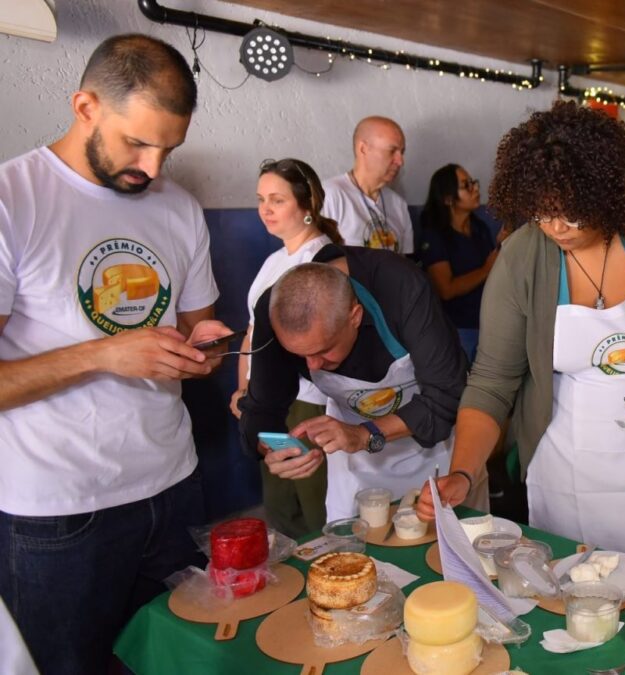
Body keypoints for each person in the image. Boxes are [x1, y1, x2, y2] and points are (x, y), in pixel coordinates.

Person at [415, 101, 625, 569]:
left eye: (572, 214)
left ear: (607, 193)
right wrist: (464, 474)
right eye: (543, 214)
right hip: (569, 467)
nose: (556, 228)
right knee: (574, 593)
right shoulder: (522, 257)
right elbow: (491, 381)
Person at [0, 34, 231, 674]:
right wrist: (102, 355)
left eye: (169, 148)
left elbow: (198, 327)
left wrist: (202, 353)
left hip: (173, 486)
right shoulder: (13, 201)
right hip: (58, 512)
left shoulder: (179, 208)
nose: (153, 167)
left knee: (179, 659)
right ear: (85, 107)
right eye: (138, 142)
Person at [238, 252, 480, 521]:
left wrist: (365, 435)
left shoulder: (401, 287)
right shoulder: (275, 308)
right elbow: (262, 408)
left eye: (324, 350)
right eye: (299, 355)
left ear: (355, 315)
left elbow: (446, 397)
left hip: (439, 453)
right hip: (355, 461)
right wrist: (277, 450)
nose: (313, 365)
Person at [228, 159, 342, 537]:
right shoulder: (274, 261)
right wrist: (244, 388)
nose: (265, 209)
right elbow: (252, 330)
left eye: (277, 199)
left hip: (306, 398)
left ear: (306, 205)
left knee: (314, 500)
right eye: (261, 199)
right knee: (279, 500)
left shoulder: (323, 261)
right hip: (267, 399)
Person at [417, 164, 509, 362]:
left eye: (473, 183)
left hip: (487, 323)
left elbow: (493, 269)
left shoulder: (479, 227)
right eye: (466, 185)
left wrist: (501, 246)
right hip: (456, 329)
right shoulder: (434, 235)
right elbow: (445, 289)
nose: (475, 189)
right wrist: (486, 269)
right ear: (448, 198)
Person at [322, 116, 414, 255]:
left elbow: (406, 261)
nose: (400, 161)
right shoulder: (330, 195)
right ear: (363, 149)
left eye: (402, 152)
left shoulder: (398, 203)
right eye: (392, 151)